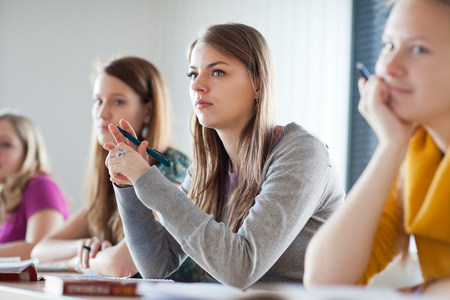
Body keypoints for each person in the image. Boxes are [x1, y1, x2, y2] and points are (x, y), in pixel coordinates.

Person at [103, 23, 344, 289]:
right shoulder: (206, 169)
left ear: (258, 85)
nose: (197, 85)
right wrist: (128, 185)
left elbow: (241, 268)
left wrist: (148, 180)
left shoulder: (302, 154)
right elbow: (158, 264)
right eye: (193, 74)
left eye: (217, 72)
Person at [304, 0, 450, 296]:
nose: (389, 67)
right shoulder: (419, 151)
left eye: (418, 49)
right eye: (388, 45)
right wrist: (391, 145)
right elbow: (325, 279)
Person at [31, 57, 192, 279]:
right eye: (98, 101)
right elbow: (40, 250)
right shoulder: (114, 169)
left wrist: (76, 263)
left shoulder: (171, 170)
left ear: (148, 111)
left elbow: (119, 264)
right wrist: (85, 247)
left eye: (117, 101)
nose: (102, 113)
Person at [0, 110, 69, 259]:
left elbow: (42, 250)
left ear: (28, 151)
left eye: (5, 144)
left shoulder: (40, 186)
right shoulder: (6, 197)